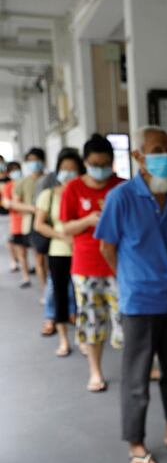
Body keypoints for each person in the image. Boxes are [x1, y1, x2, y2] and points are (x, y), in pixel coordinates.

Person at [96, 126, 167, 463]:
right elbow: (107, 247)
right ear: (139, 157)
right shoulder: (121, 197)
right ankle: (136, 442)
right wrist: (130, 279)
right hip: (139, 300)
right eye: (158, 149)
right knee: (137, 374)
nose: (166, 156)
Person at [61, 134, 125, 392]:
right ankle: (95, 372)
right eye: (96, 163)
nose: (101, 169)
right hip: (86, 267)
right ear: (86, 162)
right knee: (91, 323)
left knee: (128, 320)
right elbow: (65, 227)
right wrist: (88, 221)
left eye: (106, 163)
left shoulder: (121, 186)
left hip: (120, 265)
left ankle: (140, 368)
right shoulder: (73, 188)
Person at [34, 149, 84, 357]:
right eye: (64, 169)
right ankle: (63, 339)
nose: (68, 173)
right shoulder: (48, 195)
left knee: (83, 298)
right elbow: (39, 225)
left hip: (82, 252)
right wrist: (62, 236)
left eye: (73, 169)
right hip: (59, 252)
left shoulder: (82, 193)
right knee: (60, 296)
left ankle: (82, 337)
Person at [10, 149, 47, 290]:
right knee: (39, 258)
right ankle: (45, 289)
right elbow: (14, 203)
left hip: (50, 224)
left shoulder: (50, 179)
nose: (34, 163)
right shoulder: (22, 182)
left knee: (48, 260)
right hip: (31, 225)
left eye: (36, 160)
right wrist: (33, 209)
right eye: (30, 160)